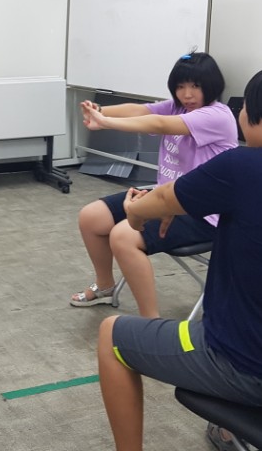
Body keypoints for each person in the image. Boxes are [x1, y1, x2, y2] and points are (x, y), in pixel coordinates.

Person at [97, 63, 262, 451]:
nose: (240, 115)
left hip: (250, 367)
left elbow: (159, 199)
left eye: (246, 107)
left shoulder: (244, 165)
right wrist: (169, 203)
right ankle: (231, 431)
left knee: (111, 335)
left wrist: (134, 212)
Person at [70, 52, 237, 318]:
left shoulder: (217, 115)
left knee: (123, 236)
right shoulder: (177, 107)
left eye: (195, 86)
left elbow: (159, 124)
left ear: (212, 85)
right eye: (180, 86)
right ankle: (104, 287)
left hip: (202, 212)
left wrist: (106, 123)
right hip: (164, 197)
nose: (187, 94)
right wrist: (99, 110)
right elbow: (140, 111)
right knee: (91, 217)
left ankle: (151, 322)